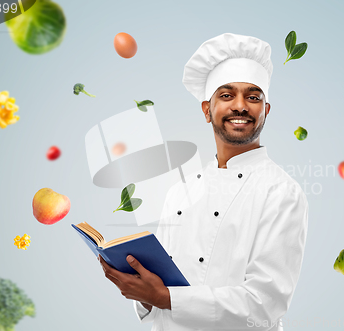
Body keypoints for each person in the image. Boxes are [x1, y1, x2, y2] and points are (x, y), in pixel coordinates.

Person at [98, 33, 309, 331]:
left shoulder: (281, 192)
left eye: (253, 97)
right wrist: (143, 295)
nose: (240, 106)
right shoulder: (181, 190)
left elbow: (264, 306)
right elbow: (162, 294)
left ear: (266, 111)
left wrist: (165, 298)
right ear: (206, 110)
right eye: (226, 95)